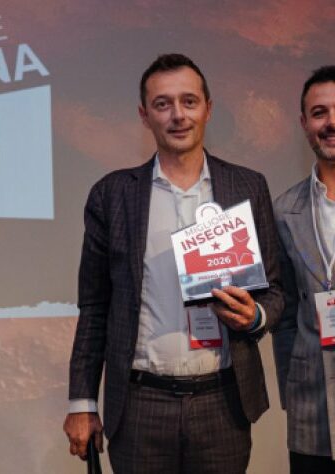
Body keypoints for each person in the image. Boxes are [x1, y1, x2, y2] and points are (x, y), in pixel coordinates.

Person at [63, 53, 283, 474]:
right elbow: (94, 306)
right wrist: (82, 402)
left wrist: (255, 316)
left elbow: (275, 290)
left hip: (224, 402)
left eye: (189, 101)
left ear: (208, 109)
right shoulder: (113, 195)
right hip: (141, 404)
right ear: (144, 116)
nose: (178, 115)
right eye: (163, 104)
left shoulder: (247, 186)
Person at [272, 65, 335, 473]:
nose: (331, 122)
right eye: (319, 112)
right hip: (313, 408)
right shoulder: (284, 210)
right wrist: (290, 389)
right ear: (304, 124)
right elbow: (284, 315)